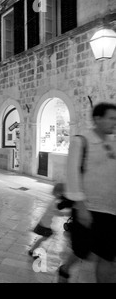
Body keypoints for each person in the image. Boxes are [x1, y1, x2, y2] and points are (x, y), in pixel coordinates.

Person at [62, 102, 116, 283]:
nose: (114, 122)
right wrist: (81, 206)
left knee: (107, 257)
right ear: (97, 119)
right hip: (88, 210)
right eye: (111, 118)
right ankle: (64, 269)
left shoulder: (113, 142)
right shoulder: (81, 141)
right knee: (83, 253)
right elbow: (72, 175)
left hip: (111, 211)